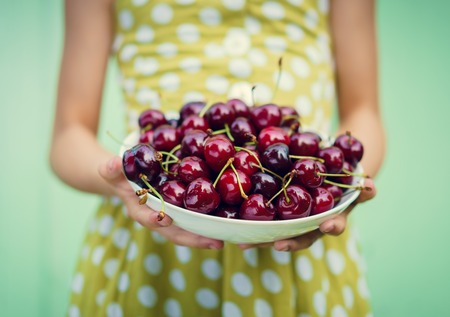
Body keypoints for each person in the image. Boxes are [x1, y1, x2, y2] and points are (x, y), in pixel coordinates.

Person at [50, 0, 385, 316]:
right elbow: (67, 137)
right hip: (151, 233)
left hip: (306, 233)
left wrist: (349, 182)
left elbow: (364, 111)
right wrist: (119, 182)